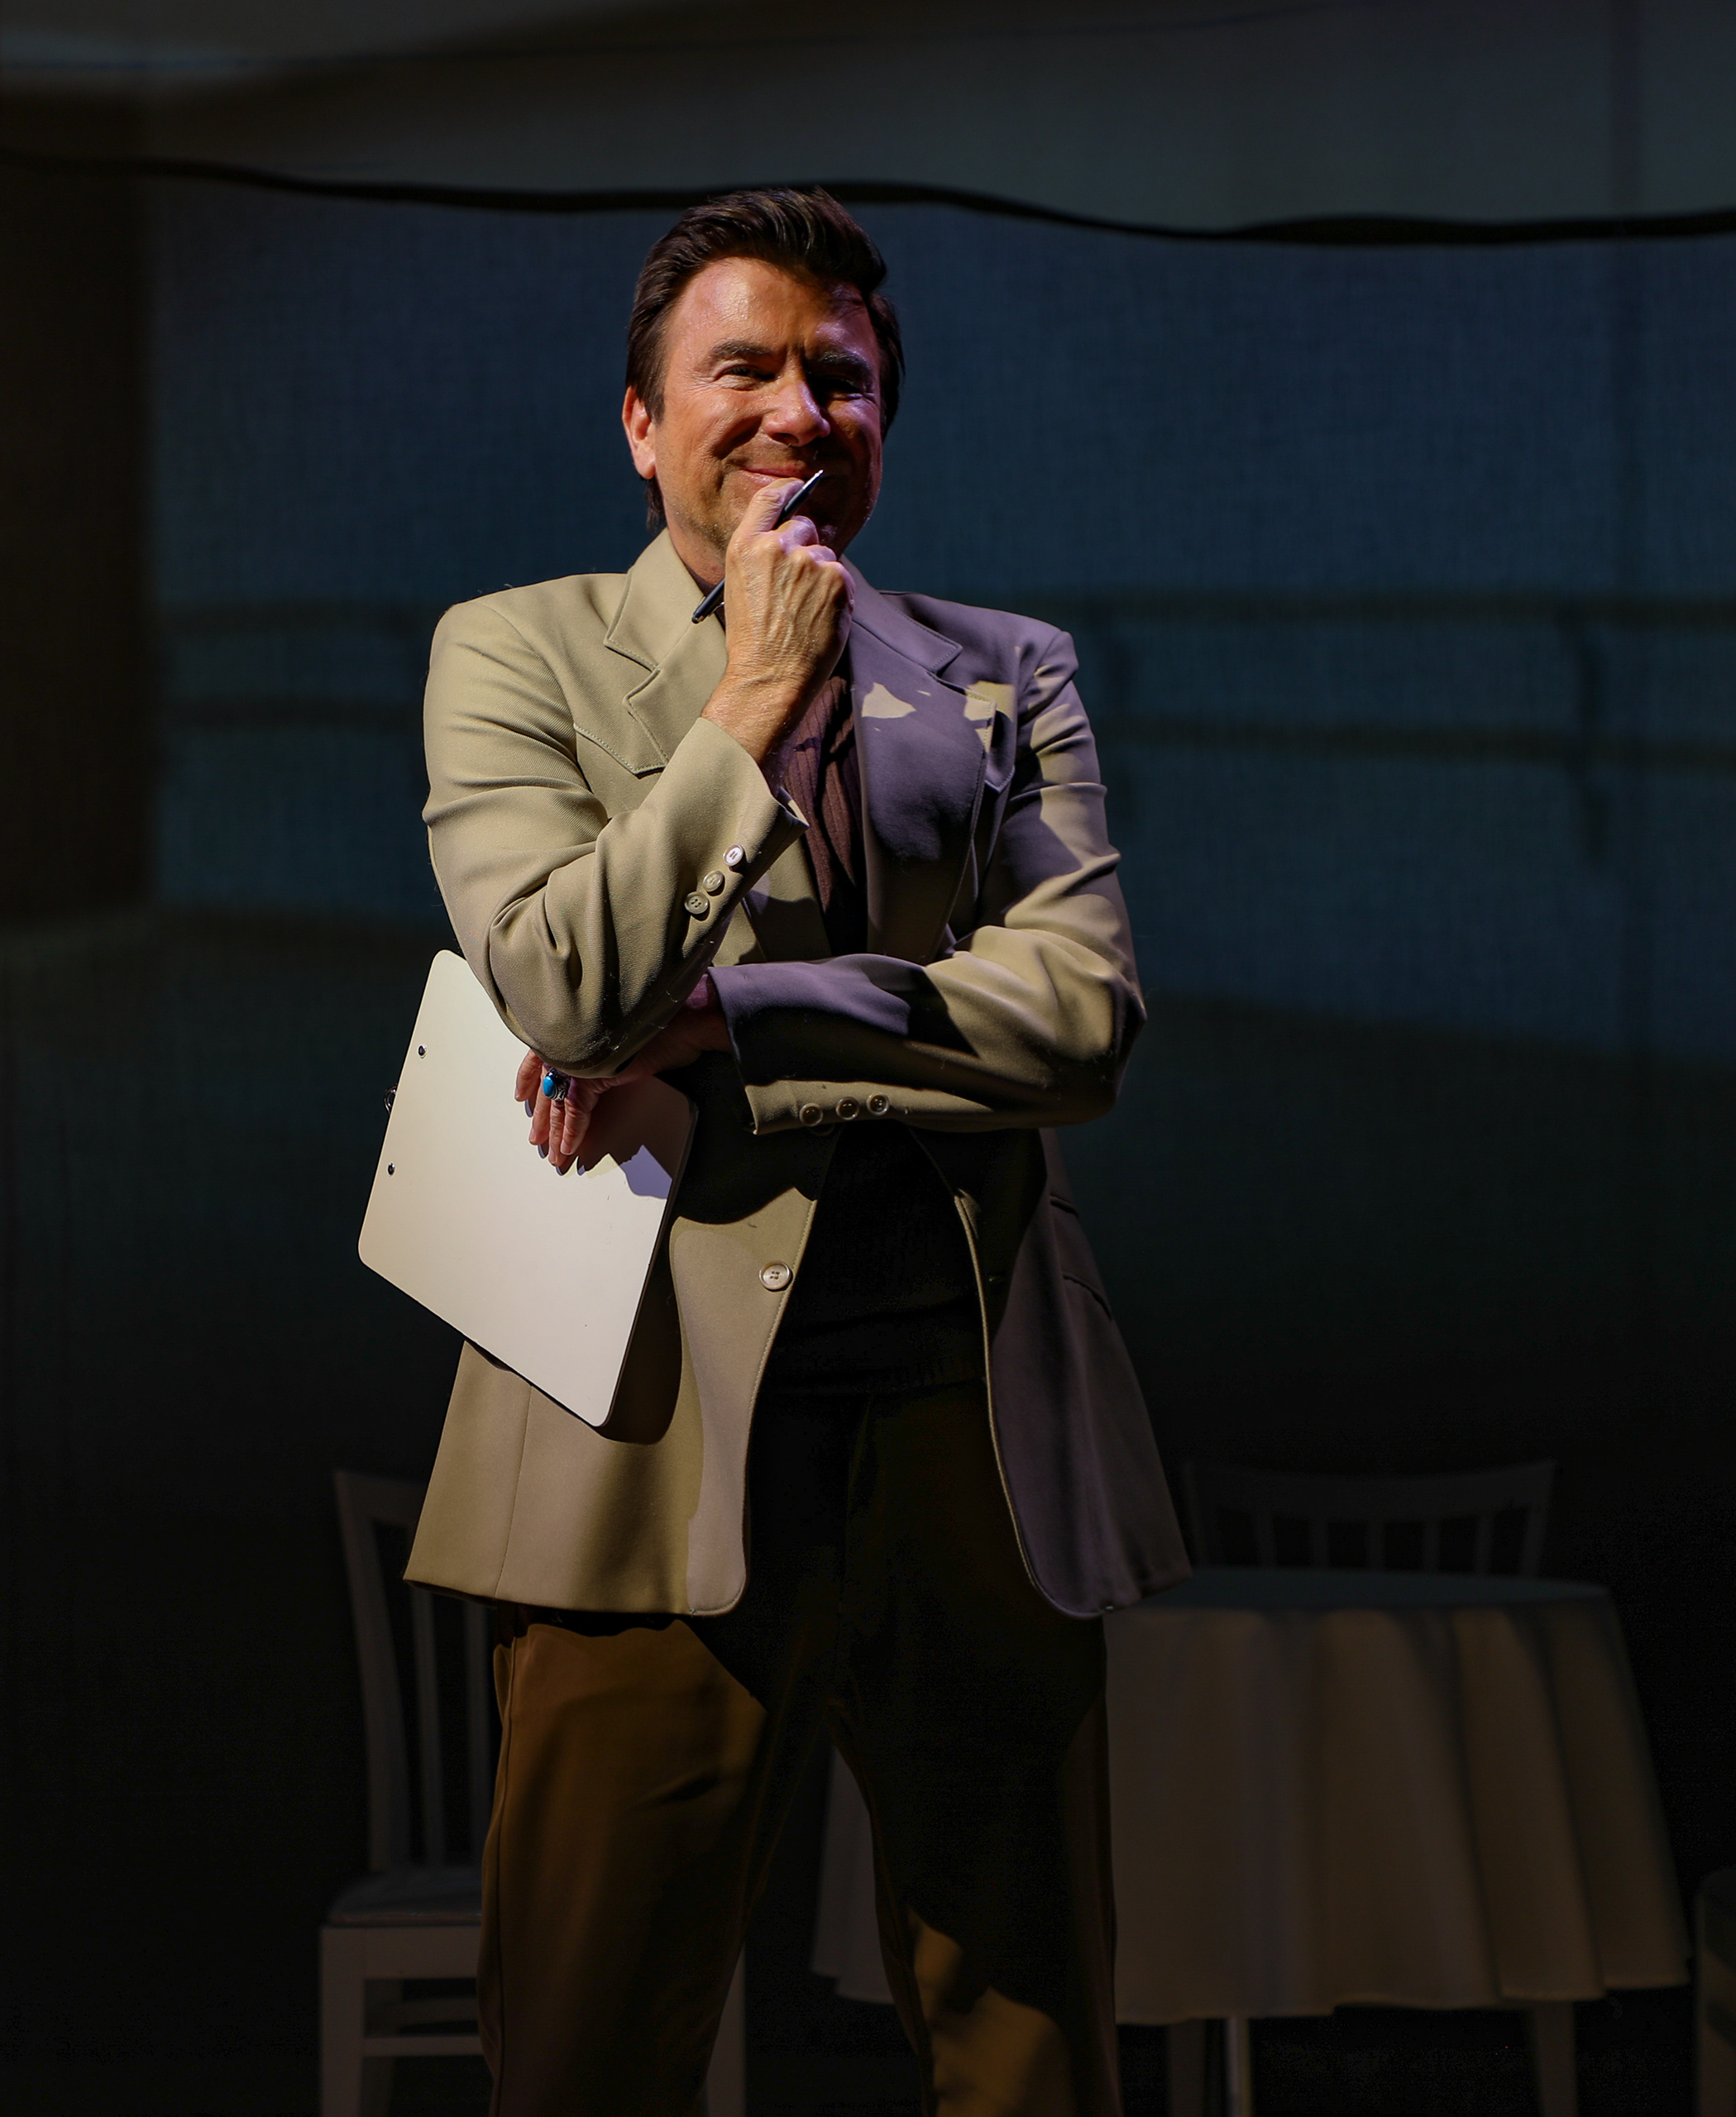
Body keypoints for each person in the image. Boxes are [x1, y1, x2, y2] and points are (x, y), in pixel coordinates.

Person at [407, 187, 1187, 2117]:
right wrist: (754, 695)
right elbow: (567, 984)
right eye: (739, 369)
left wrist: (742, 1018)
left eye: (839, 378)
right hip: (643, 1429)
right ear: (641, 421)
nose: (795, 411)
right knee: (588, 2042)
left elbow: (1082, 1016)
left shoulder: (1004, 668)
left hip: (971, 1421)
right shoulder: (516, 652)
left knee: (1032, 2040)